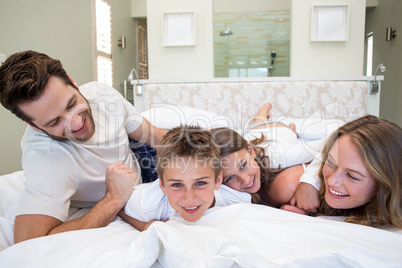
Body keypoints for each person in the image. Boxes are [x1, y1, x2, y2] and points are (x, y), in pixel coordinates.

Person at [0, 50, 167, 243]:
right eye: (55, 122)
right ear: (33, 125)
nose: (76, 124)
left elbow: (153, 135)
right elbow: (30, 241)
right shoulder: (45, 157)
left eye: (72, 104)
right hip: (124, 195)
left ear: (72, 81)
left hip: (138, 155)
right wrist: (112, 200)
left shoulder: (102, 95)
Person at [121, 125, 251, 231]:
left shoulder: (236, 199)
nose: (190, 198)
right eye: (177, 185)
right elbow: (120, 208)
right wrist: (143, 226)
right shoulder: (149, 203)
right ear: (162, 185)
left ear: (218, 181)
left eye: (200, 183)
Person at [281, 115, 402, 228]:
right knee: (281, 134)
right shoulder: (292, 183)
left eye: (352, 176)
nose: (332, 181)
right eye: (330, 163)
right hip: (281, 141)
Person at [212, 102, 336, 207]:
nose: (245, 180)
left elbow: (328, 143)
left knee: (287, 134)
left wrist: (309, 183)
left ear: (251, 152)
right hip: (253, 136)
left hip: (276, 131)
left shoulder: (276, 158)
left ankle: (264, 116)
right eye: (230, 178)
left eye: (243, 165)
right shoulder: (225, 179)